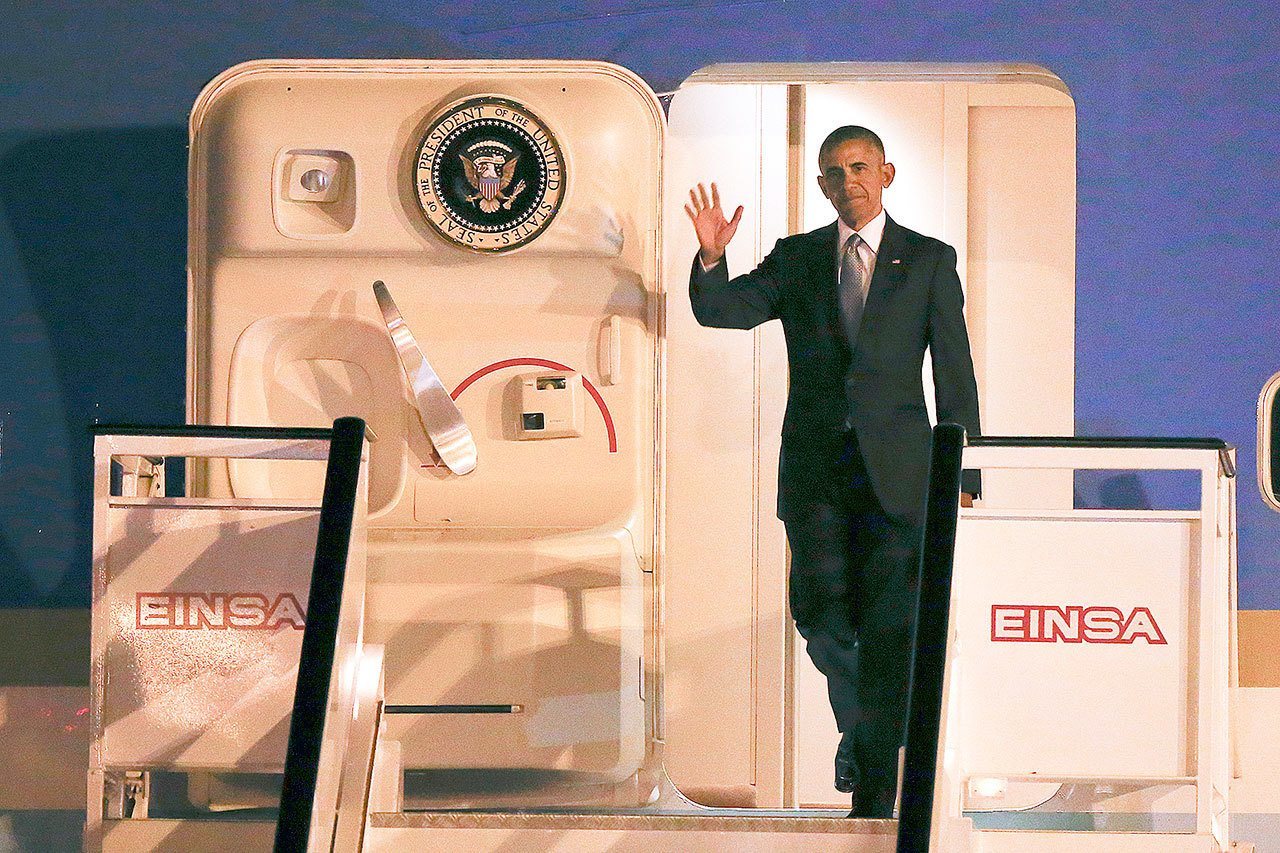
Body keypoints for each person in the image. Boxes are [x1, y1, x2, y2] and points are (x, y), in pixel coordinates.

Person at [684, 125, 981, 818]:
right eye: (835, 172)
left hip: (901, 479)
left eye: (860, 167)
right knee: (820, 618)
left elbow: (955, 371)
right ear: (821, 185)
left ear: (886, 173)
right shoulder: (796, 258)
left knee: (889, 629)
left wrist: (963, 478)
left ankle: (874, 786)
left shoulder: (928, 260)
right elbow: (722, 310)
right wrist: (711, 257)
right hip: (817, 478)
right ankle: (862, 732)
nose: (849, 181)